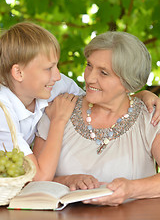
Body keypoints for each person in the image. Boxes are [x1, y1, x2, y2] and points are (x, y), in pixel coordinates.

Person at [34, 31, 160, 206]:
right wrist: (67, 181)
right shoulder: (59, 110)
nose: (90, 78)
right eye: (89, 65)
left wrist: (130, 189)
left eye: (104, 73)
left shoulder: (150, 117)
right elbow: (31, 182)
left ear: (128, 82)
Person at [0, 22, 82, 180]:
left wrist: (139, 97)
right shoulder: (2, 111)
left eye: (56, 66)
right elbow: (39, 177)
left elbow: (96, 100)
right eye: (49, 68)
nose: (57, 76)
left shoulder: (52, 85)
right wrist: (58, 120)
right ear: (18, 72)